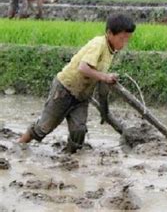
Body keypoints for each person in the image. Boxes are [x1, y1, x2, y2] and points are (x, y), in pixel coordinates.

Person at [18, 13, 136, 154]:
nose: (124, 43)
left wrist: (105, 101)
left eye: (127, 40)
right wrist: (104, 77)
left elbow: (97, 75)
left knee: (79, 130)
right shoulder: (99, 44)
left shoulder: (111, 51)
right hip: (64, 90)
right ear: (110, 33)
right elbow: (83, 67)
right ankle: (19, 146)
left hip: (81, 96)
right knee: (44, 127)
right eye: (122, 39)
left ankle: (69, 158)